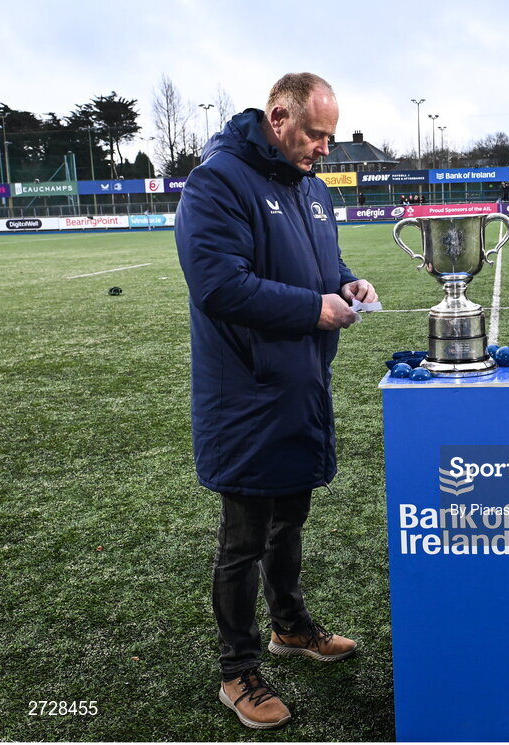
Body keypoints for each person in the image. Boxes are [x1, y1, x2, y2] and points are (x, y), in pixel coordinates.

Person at [175, 73, 378, 729]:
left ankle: (289, 627)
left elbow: (322, 270)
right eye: (315, 134)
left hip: (300, 388)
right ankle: (237, 670)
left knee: (291, 518)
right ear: (278, 115)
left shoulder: (313, 189)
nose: (325, 147)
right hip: (245, 396)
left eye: (330, 135)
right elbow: (218, 285)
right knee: (243, 539)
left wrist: (345, 284)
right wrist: (312, 309)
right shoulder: (218, 181)